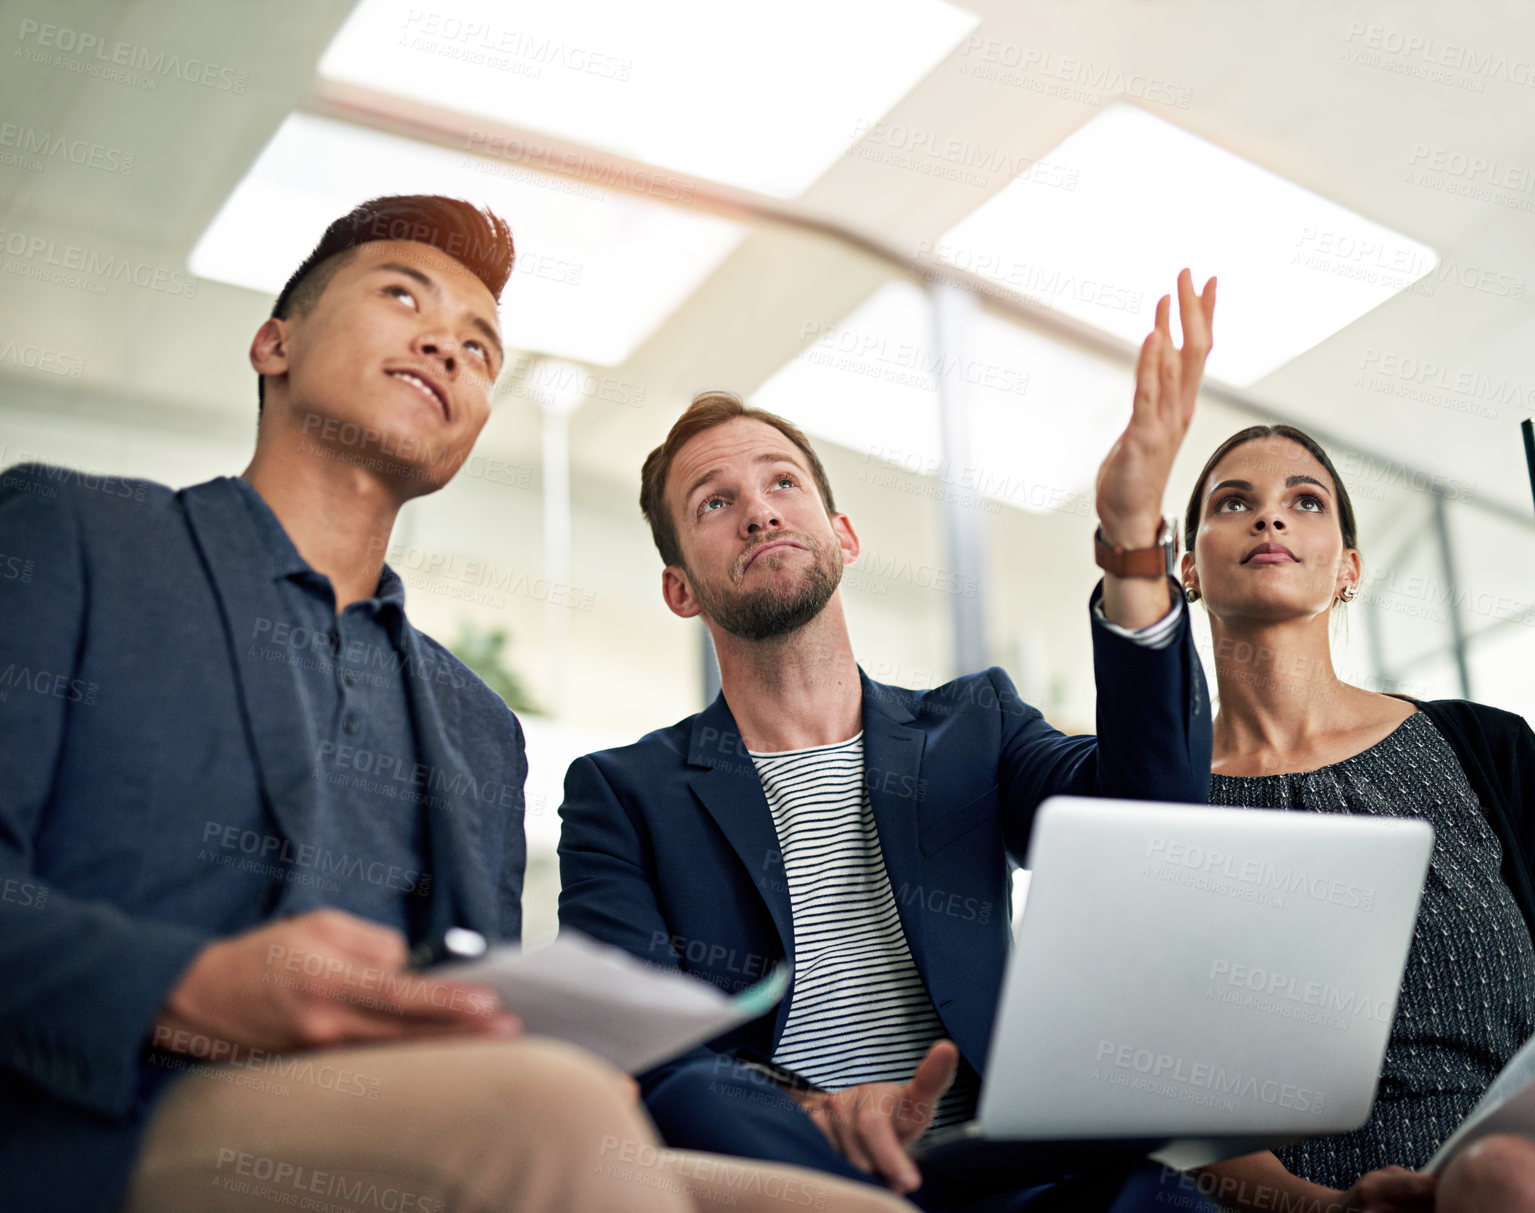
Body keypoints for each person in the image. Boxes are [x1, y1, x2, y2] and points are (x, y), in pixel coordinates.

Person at [0, 194, 913, 1213]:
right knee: (541, 1118)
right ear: (275, 342)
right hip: (107, 1120)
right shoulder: (71, 538)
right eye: (404, 297)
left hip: (432, 1114)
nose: (449, 345)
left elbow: (474, 997)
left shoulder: (478, 726)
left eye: (482, 349)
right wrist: (185, 985)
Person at [557, 272, 1221, 1210]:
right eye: (713, 503)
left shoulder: (972, 726)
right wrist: (814, 1112)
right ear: (680, 588)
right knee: (688, 1086)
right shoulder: (623, 792)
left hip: (1001, 1165)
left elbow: (1151, 819)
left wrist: (1128, 540)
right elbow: (633, 1047)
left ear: (843, 533)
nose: (759, 510)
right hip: (784, 1168)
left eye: (782, 482)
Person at [1175, 423, 1535, 1212]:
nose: (1268, 518)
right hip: (1291, 1208)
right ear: (1187, 568)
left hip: (1524, 1186)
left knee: (1504, 1178)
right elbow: (1173, 1113)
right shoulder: (1159, 804)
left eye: (1303, 501)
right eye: (1233, 501)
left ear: (1347, 567)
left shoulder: (1488, 749)